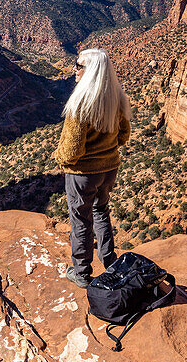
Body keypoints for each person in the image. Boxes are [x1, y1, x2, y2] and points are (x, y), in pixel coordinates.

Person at [54, 48, 131, 288]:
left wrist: (58, 157)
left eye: (79, 66)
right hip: (109, 169)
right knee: (101, 212)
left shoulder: (80, 103)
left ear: (92, 71)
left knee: (80, 220)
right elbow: (124, 135)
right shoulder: (116, 98)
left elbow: (71, 151)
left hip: (82, 174)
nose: (74, 69)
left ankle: (82, 273)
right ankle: (111, 263)